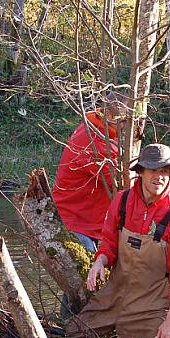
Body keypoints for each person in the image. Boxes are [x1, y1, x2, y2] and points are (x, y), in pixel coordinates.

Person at [66, 143, 170, 338]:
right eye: (153, 170)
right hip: (114, 295)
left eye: (164, 171)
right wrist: (100, 261)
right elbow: (108, 241)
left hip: (150, 306)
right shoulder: (123, 200)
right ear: (141, 172)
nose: (159, 177)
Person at [52, 92, 127, 254]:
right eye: (123, 120)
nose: (125, 126)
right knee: (89, 277)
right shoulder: (95, 143)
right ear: (107, 115)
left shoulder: (95, 129)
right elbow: (123, 184)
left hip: (80, 221)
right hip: (76, 224)